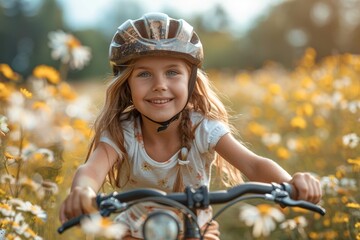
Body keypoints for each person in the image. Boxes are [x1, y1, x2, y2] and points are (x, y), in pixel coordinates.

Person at [59, 12, 322, 239]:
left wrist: (291, 183)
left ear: (191, 80)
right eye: (144, 74)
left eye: (172, 72)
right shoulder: (122, 131)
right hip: (134, 232)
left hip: (197, 229)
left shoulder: (203, 128)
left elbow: (253, 164)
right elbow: (92, 170)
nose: (160, 84)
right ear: (126, 84)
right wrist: (82, 191)